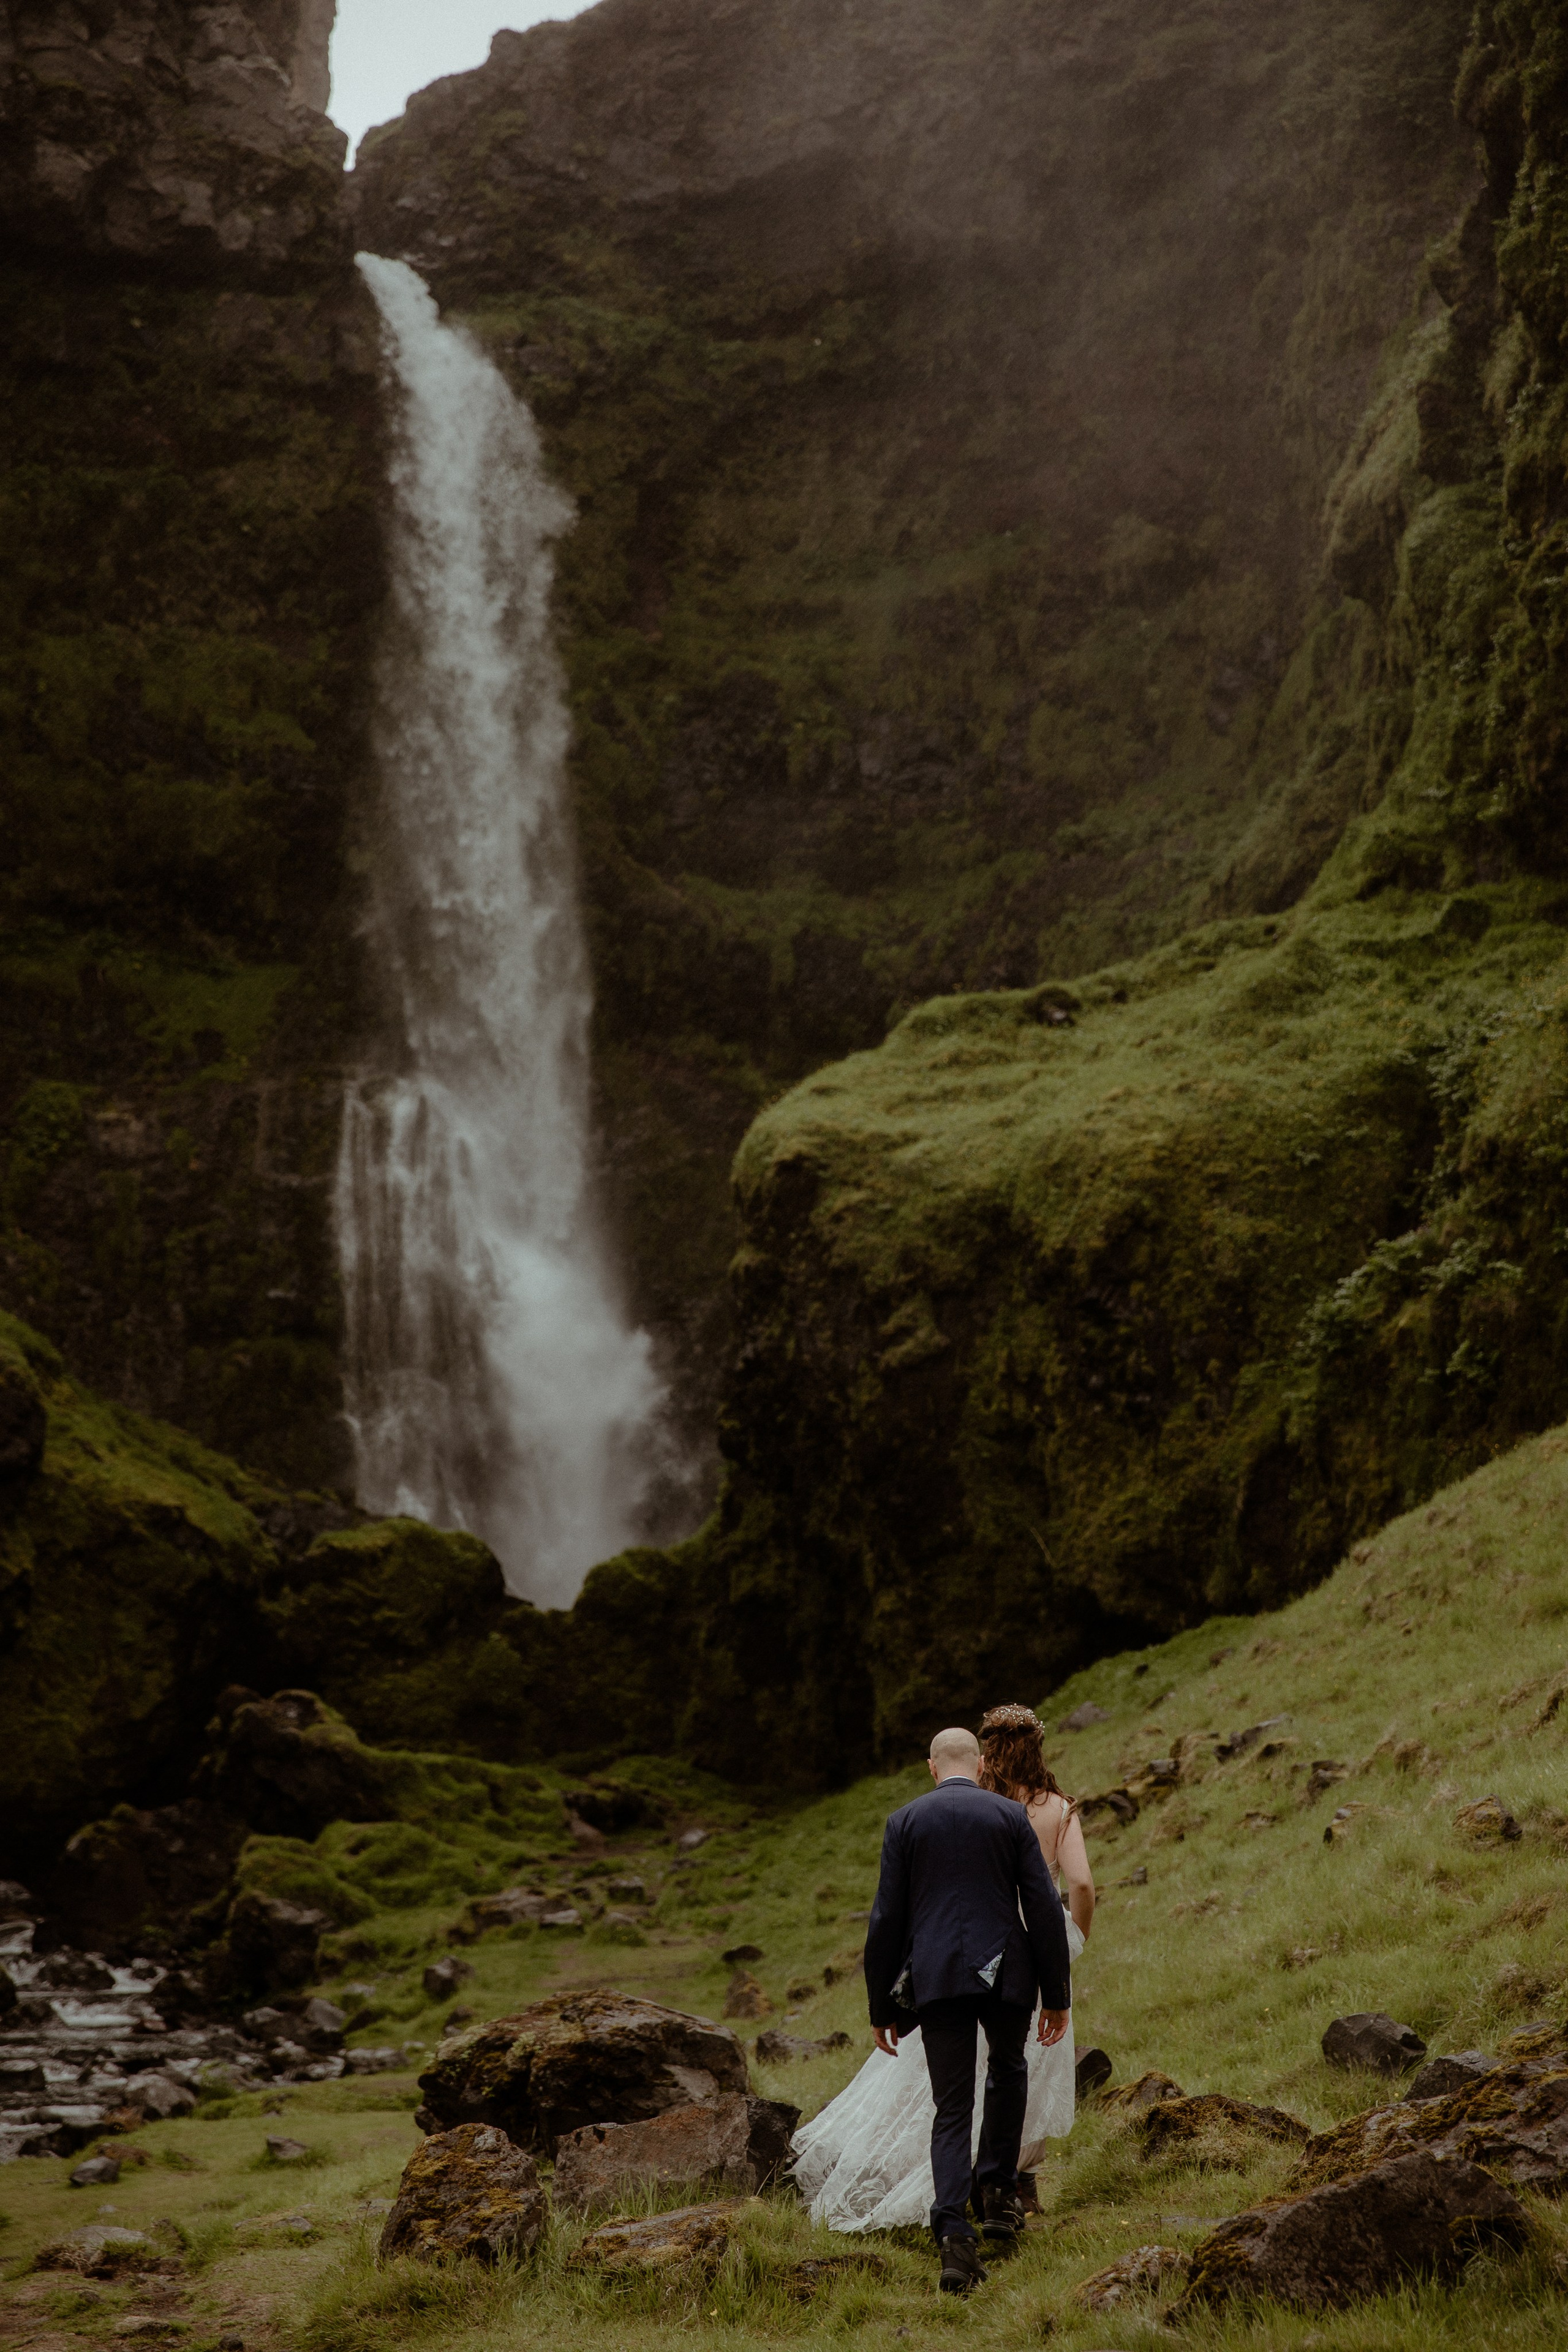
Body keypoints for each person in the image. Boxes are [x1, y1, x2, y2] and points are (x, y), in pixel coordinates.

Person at [791, 1708, 1087, 2295]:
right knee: (1008, 2072)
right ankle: (1000, 2197)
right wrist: (1056, 1994)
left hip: (939, 1982)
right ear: (977, 1765)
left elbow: (886, 1922)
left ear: (932, 1768)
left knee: (951, 2105)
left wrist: (883, 2008)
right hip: (1008, 1977)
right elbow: (1044, 1906)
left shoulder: (905, 1822)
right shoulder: (1009, 1816)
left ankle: (955, 2235)